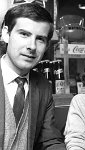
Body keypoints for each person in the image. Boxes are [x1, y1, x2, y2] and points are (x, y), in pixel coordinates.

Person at [0, 3, 66, 150]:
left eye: (40, 39)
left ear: (47, 45)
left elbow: (49, 140)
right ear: (6, 34)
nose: (32, 46)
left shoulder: (43, 86)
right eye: (24, 34)